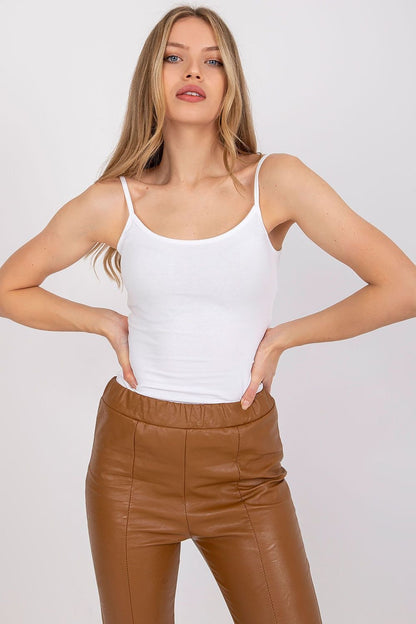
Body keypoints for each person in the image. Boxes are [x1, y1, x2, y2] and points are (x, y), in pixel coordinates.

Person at [1, 5, 415, 624]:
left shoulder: (276, 181)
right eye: (175, 57)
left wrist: (284, 338)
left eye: (212, 60)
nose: (193, 71)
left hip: (243, 463)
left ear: (229, 83)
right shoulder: (115, 201)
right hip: (131, 463)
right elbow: (10, 287)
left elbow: (403, 286)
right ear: (153, 76)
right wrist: (103, 321)